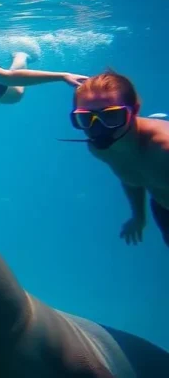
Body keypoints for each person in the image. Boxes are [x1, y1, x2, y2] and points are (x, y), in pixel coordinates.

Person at [65, 70, 169, 247]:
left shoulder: (163, 149)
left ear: (134, 111)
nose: (97, 128)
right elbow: (132, 177)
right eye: (85, 118)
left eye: (111, 115)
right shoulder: (101, 148)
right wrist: (139, 217)